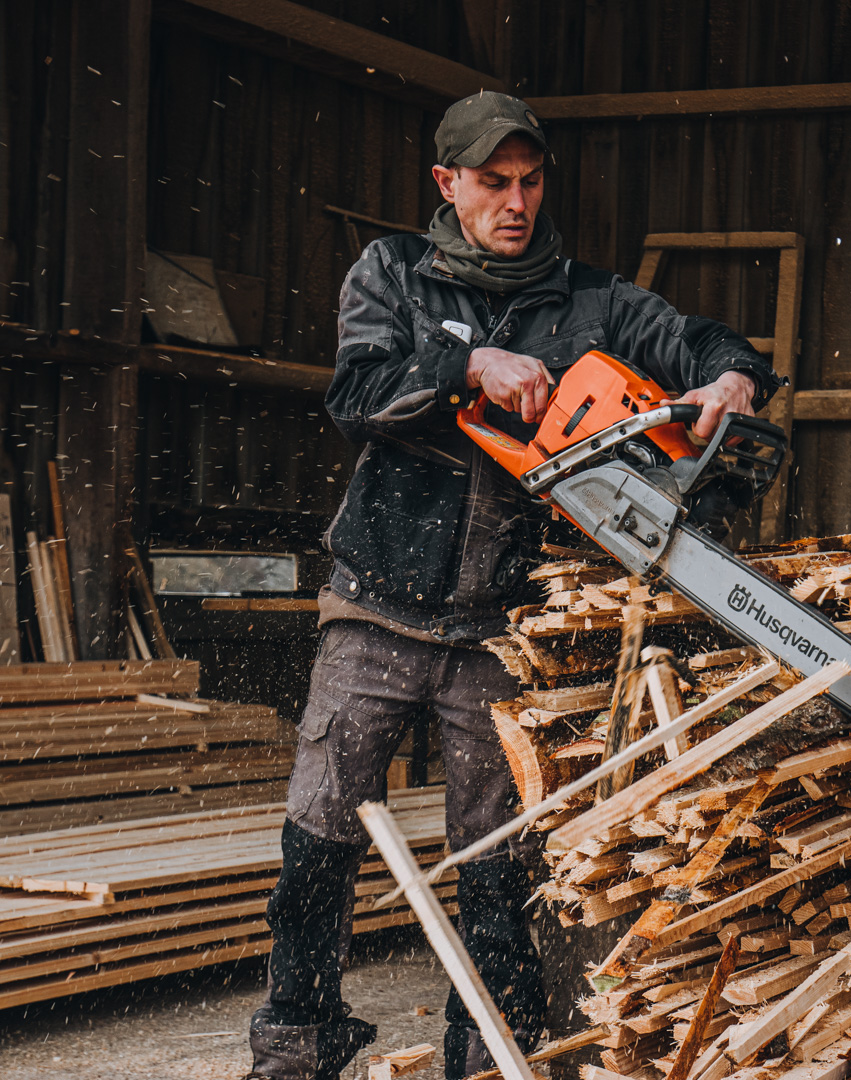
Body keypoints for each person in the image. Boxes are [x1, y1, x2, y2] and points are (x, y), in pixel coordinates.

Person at [245, 91, 782, 1080]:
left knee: (495, 864)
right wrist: (466, 366)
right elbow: (358, 395)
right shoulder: (394, 274)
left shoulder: (595, 299)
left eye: (531, 181)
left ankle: (489, 1056)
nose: (517, 201)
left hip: (504, 625)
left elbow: (701, 340)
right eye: (494, 182)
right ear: (448, 183)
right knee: (319, 837)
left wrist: (733, 378)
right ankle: (298, 1044)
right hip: (377, 601)